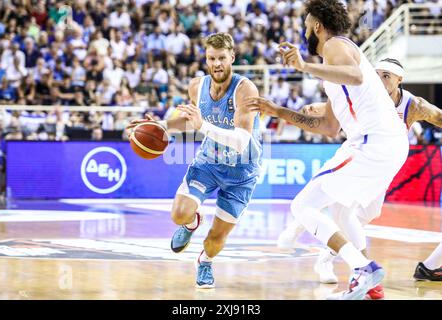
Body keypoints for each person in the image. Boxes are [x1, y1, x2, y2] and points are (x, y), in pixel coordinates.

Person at [248, 0, 409, 299]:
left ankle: (363, 267)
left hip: (375, 141)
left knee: (302, 206)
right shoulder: (330, 72)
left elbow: (357, 75)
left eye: (307, 25)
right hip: (384, 143)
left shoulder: (334, 46)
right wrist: (279, 111)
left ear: (317, 26)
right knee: (342, 211)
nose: (305, 31)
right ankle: (370, 284)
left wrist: (304, 66)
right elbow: (329, 128)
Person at [279, 58, 442, 287]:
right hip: (358, 153)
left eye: (386, 76)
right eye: (377, 75)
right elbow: (337, 106)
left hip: (382, 164)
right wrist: (319, 108)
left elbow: (439, 117)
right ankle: (346, 263)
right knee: (340, 206)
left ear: (399, 80)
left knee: (367, 214)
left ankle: (327, 252)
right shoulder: (367, 92)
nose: (380, 80)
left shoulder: (413, 105)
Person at [126, 33, 261, 289]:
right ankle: (191, 223)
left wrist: (204, 126)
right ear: (206, 59)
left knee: (215, 239)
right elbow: (190, 119)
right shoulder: (197, 86)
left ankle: (205, 261)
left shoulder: (245, 90)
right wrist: (160, 125)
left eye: (222, 58)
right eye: (212, 58)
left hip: (242, 172)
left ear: (232, 57)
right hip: (209, 163)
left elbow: (242, 140)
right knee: (179, 214)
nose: (217, 63)